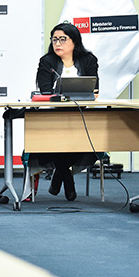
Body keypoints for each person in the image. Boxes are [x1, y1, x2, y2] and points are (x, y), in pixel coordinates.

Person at [30, 22, 99, 201]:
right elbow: (46, 92)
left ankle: (60, 174)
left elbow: (94, 90)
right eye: (54, 40)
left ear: (74, 41)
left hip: (80, 114)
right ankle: (66, 178)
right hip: (53, 116)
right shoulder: (47, 62)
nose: (57, 43)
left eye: (62, 39)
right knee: (58, 138)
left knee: (87, 138)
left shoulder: (89, 60)